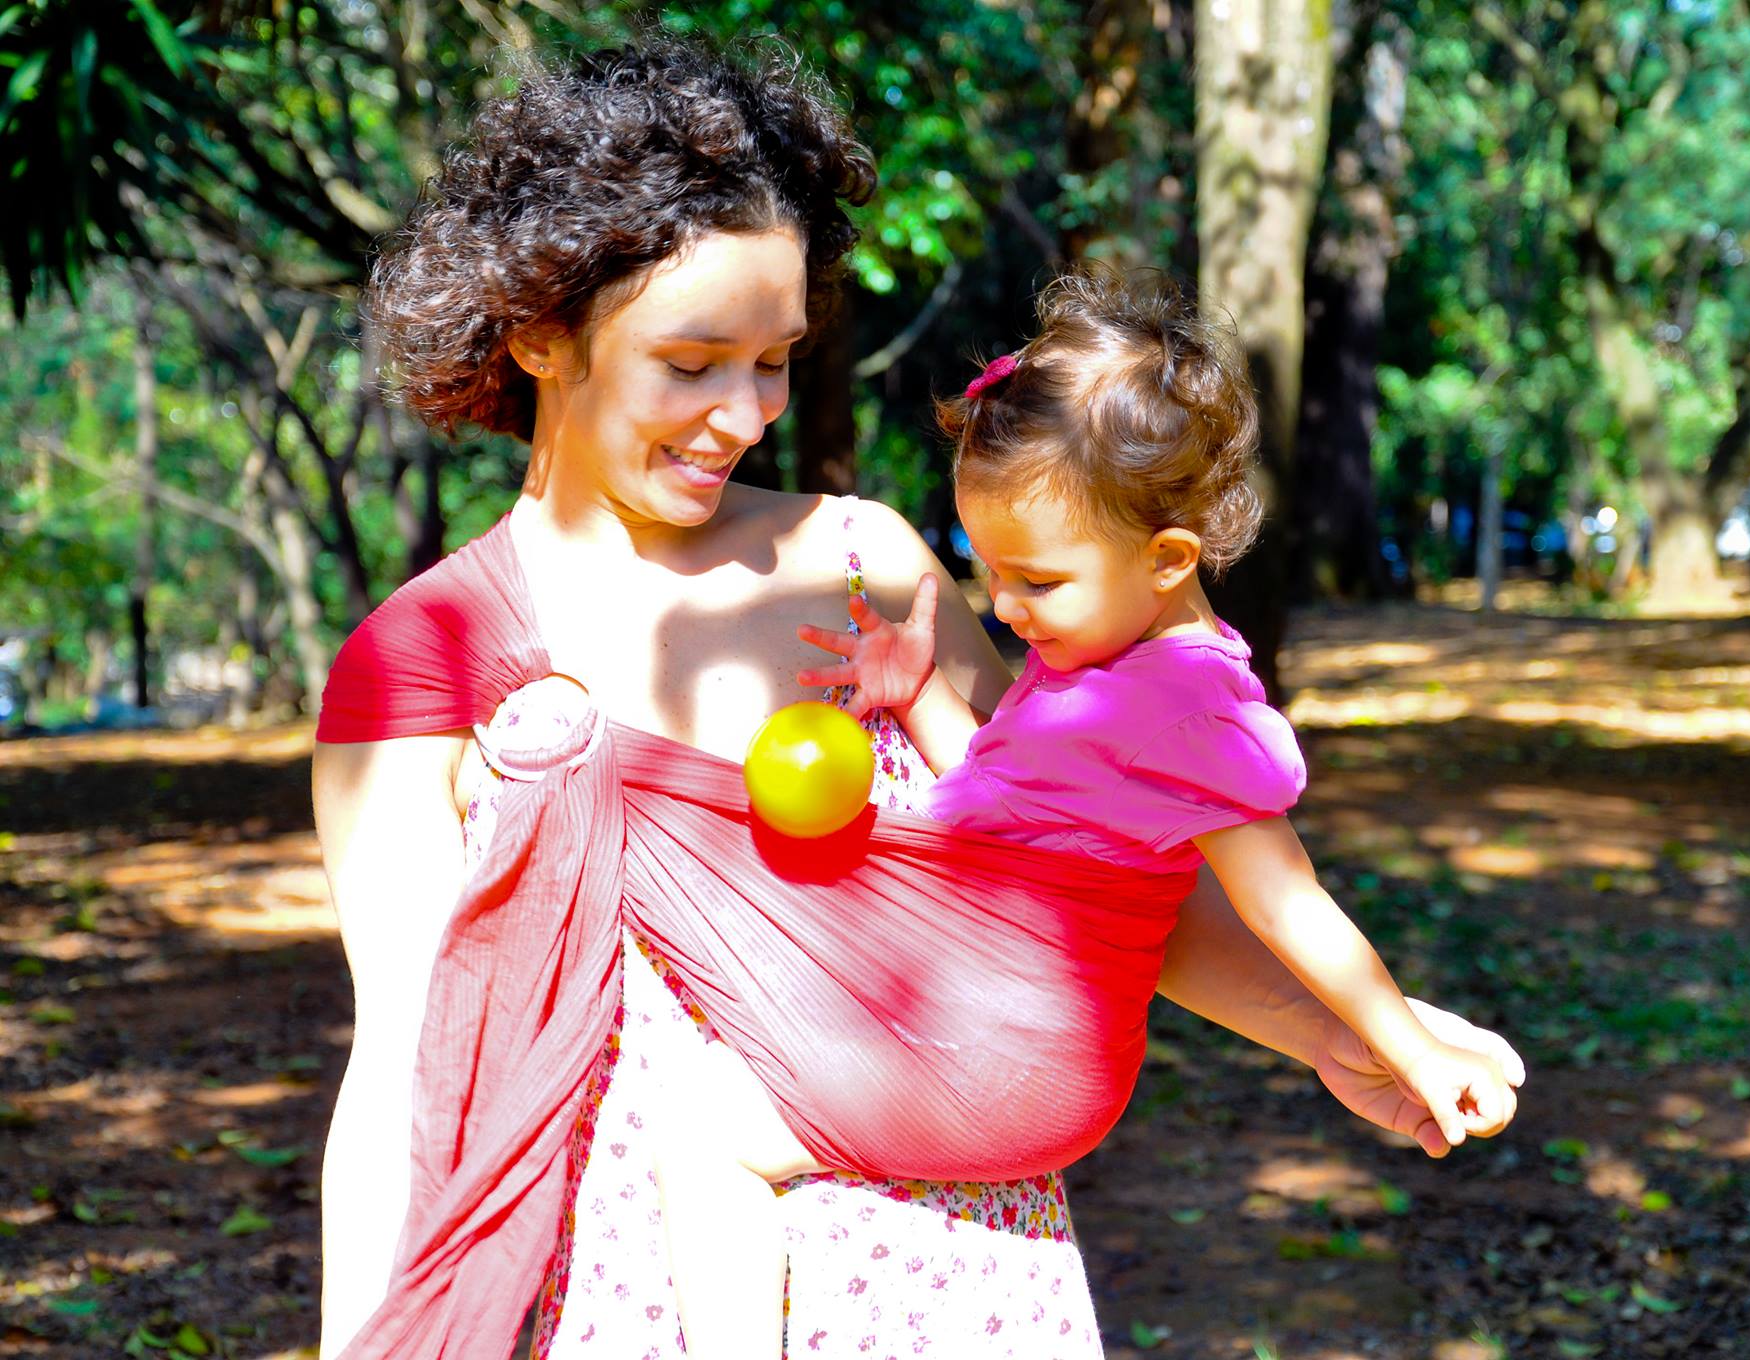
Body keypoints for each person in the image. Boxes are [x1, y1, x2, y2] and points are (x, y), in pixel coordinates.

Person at [312, 36, 1525, 1360]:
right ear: (541, 329)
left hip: (952, 1277)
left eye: (773, 359)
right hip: (631, 1288)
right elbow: (400, 1081)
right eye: (694, 359)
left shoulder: (863, 571)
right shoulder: (423, 667)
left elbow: (1080, 886)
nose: (743, 413)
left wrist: (1348, 1037)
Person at [643, 269, 1521, 1357]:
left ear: (1165, 559)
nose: (1004, 608)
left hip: (1006, 1052)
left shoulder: (1191, 708)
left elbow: (1292, 908)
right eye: (986, 572)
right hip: (998, 1033)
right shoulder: (1103, 671)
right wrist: (919, 695)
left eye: (1036, 581)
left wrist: (1405, 1044)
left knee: (706, 1134)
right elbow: (1013, 833)